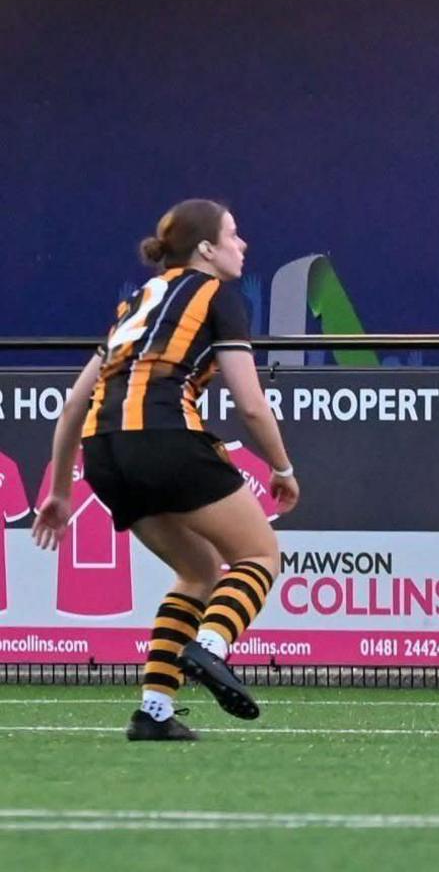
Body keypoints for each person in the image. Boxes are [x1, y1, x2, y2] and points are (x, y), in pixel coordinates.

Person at [31, 199, 303, 741]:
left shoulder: (136, 302)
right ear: (206, 248)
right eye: (233, 234)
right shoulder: (216, 295)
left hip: (104, 454)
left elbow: (74, 402)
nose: (242, 244)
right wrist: (282, 466)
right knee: (259, 555)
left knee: (199, 571)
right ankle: (211, 647)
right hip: (165, 438)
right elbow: (250, 403)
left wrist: (61, 490)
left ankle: (154, 711)